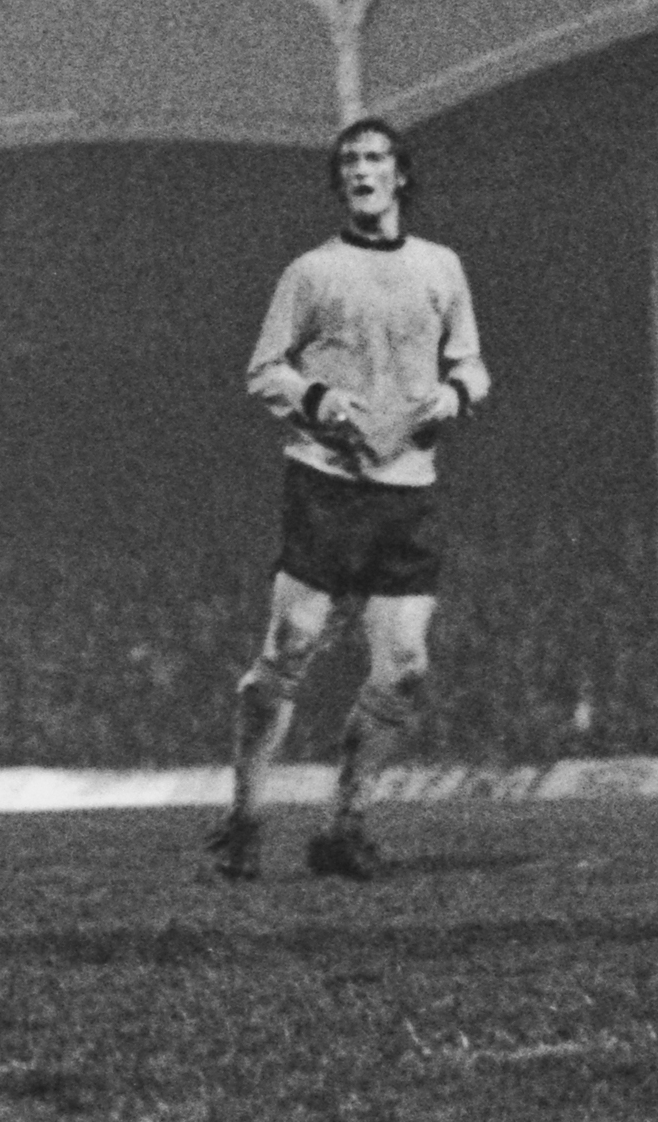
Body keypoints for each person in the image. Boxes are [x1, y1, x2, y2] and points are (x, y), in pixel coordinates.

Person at [206, 121, 488, 882]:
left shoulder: (441, 266)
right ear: (340, 181)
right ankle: (244, 818)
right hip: (326, 483)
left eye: (377, 158)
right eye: (352, 161)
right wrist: (322, 398)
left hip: (407, 490)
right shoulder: (310, 272)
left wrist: (452, 396)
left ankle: (345, 823)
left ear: (401, 175)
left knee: (404, 668)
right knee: (291, 645)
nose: (364, 170)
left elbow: (473, 365)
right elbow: (264, 370)